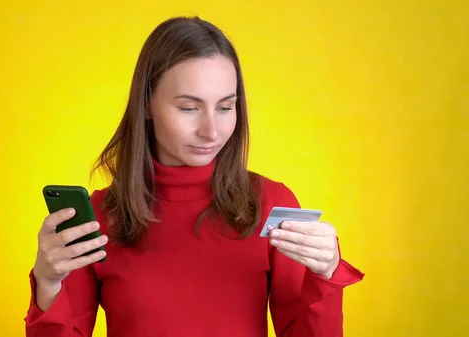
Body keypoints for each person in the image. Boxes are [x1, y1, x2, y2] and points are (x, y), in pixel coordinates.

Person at [24, 16, 364, 337]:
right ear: (146, 104)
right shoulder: (97, 220)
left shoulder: (271, 204)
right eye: (189, 108)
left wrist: (326, 273)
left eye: (225, 106)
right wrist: (48, 282)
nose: (211, 131)